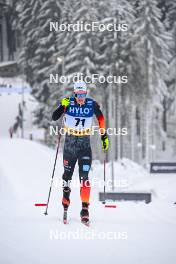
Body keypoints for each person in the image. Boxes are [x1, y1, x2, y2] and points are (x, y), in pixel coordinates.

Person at [52, 81, 109, 225]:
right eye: (78, 95)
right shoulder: (68, 102)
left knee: (85, 177)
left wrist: (104, 136)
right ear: (75, 94)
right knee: (67, 176)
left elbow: (101, 119)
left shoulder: (91, 104)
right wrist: (62, 105)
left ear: (86, 94)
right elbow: (54, 117)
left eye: (83, 94)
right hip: (70, 148)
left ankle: (85, 210)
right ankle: (66, 201)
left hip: (84, 148)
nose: (81, 98)